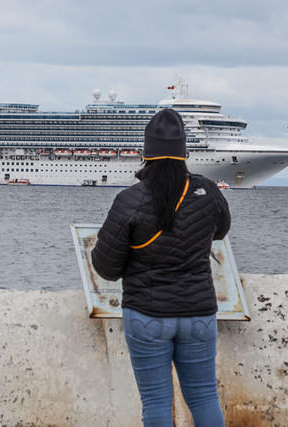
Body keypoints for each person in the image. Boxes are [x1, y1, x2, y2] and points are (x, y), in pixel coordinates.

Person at [91, 108, 230, 427]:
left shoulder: (129, 200)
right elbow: (220, 231)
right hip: (198, 314)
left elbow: (107, 268)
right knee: (205, 397)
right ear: (184, 153)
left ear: (145, 154)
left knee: (156, 402)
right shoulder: (207, 192)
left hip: (147, 316)